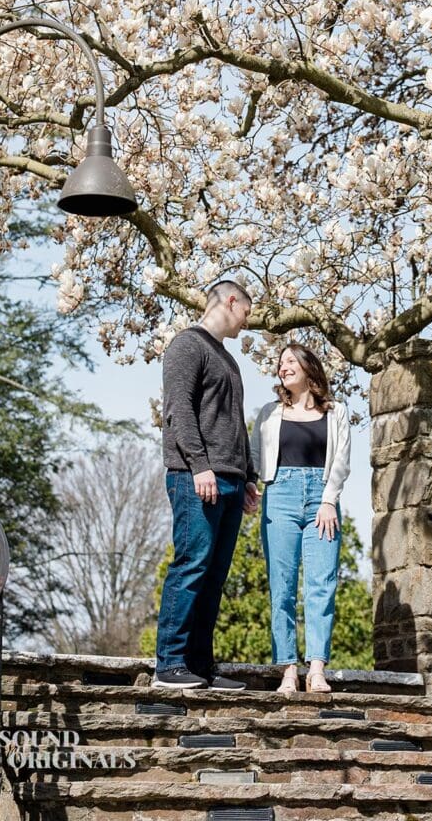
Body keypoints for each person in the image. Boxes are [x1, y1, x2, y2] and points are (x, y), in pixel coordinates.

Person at [153, 279, 261, 690]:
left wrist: (248, 476)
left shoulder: (229, 361)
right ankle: (170, 664)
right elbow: (178, 412)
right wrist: (200, 466)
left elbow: (234, 423)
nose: (246, 322)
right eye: (247, 313)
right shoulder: (187, 345)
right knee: (192, 565)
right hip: (195, 478)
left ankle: (199, 666)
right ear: (231, 301)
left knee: (214, 576)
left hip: (231, 481)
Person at [251, 343, 351, 694]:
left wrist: (328, 501)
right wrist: (251, 486)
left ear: (309, 368)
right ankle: (289, 670)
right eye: (281, 363)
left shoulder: (336, 412)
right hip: (280, 496)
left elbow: (341, 460)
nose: (284, 367)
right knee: (282, 586)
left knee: (322, 584)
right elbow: (254, 456)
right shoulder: (269, 413)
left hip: (322, 500)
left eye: (291, 361)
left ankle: (317, 669)